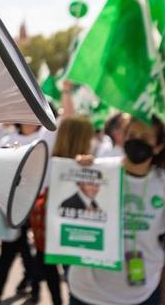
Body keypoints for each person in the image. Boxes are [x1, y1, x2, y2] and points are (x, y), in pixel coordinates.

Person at [68, 115, 165, 305]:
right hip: (88, 292)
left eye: (145, 137)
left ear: (158, 146)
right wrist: (75, 171)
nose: (136, 141)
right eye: (132, 134)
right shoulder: (98, 171)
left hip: (141, 293)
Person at [29, 115, 95, 305]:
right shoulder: (85, 166)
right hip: (72, 225)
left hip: (46, 221)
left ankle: (57, 301)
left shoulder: (48, 159)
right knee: (72, 271)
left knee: (49, 265)